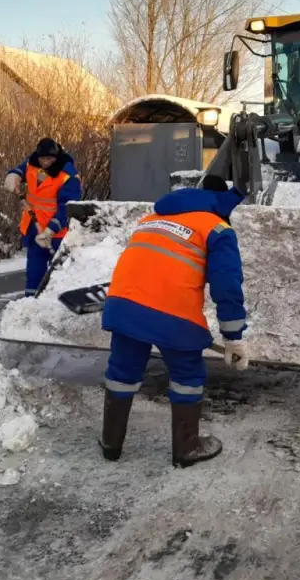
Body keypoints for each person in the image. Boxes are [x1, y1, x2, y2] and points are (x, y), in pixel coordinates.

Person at [99, 174, 249, 468]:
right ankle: (186, 448)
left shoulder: (150, 219)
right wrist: (234, 338)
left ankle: (110, 444)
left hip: (124, 304)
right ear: (221, 204)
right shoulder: (217, 228)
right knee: (187, 377)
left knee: (122, 370)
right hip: (172, 313)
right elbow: (226, 286)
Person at [3, 138, 82, 296]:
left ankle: (57, 305)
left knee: (59, 273)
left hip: (57, 234)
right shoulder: (32, 164)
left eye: (50, 159)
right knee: (34, 272)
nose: (46, 162)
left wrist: (51, 230)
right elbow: (22, 169)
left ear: (56, 156)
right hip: (34, 229)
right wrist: (14, 175)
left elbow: (67, 207)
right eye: (43, 158)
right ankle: (31, 303)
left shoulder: (68, 176)